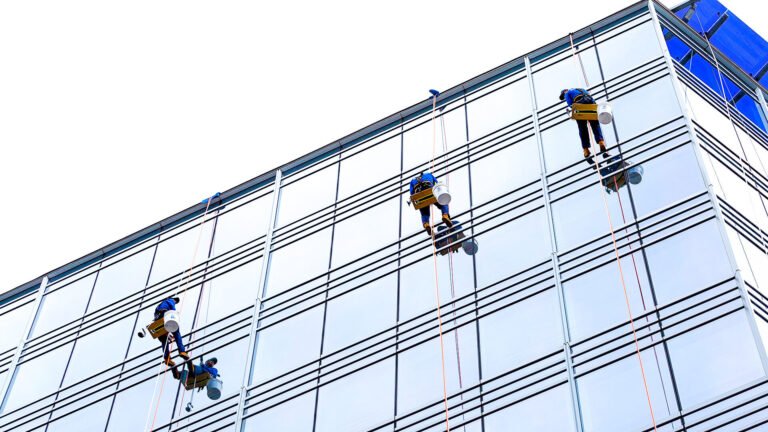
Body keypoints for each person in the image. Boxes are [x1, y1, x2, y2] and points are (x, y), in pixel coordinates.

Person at [559, 88, 610, 164]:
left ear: (564, 92)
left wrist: (572, 111)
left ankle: (586, 149)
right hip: (590, 102)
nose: (564, 97)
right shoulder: (581, 89)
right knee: (595, 125)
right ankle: (601, 142)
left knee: (582, 129)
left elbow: (570, 104)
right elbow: (591, 98)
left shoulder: (567, 93)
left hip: (580, 103)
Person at [409, 171, 452, 236]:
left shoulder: (412, 180)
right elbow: (437, 184)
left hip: (420, 197)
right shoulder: (429, 174)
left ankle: (426, 224)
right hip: (431, 193)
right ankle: (445, 215)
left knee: (424, 213)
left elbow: (412, 192)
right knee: (443, 203)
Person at [154, 296, 189, 368]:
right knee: (176, 333)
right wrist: (175, 313)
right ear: (175, 300)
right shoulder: (171, 300)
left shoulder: (159, 306)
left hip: (158, 321)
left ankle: (167, 359)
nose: (175, 303)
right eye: (176, 302)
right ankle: (182, 351)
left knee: (164, 340)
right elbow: (173, 310)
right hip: (164, 316)